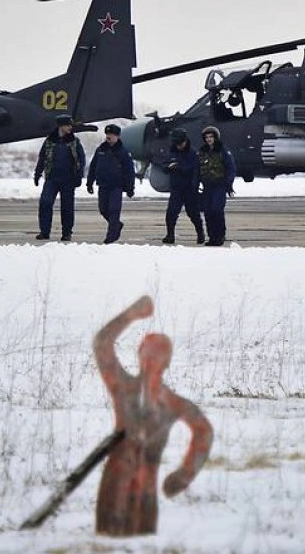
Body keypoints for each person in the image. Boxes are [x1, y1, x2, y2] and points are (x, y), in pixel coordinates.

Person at [92, 295, 212, 536]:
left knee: (140, 543)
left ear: (166, 361)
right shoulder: (125, 389)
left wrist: (184, 475)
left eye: (155, 356)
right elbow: (102, 344)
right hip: (115, 485)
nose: (148, 361)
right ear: (138, 356)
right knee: (107, 542)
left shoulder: (173, 404)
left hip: (145, 493)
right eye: (145, 354)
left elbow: (203, 430)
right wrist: (131, 314)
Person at [33, 114, 85, 241]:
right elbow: (42, 158)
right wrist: (37, 173)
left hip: (68, 179)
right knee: (45, 203)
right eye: (68, 125)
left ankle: (67, 233)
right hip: (52, 179)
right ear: (61, 126)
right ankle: (44, 232)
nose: (70, 128)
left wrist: (79, 176)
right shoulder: (50, 141)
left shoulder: (74, 142)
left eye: (70, 125)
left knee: (67, 207)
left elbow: (81, 160)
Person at [87, 123, 136, 244]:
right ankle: (117, 225)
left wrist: (130, 187)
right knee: (103, 209)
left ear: (117, 136)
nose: (108, 137)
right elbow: (93, 167)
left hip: (116, 186)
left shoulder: (123, 152)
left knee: (114, 210)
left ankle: (111, 236)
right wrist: (89, 182)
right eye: (107, 134)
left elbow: (129, 171)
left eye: (111, 135)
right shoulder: (100, 150)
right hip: (103, 185)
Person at [161, 128, 205, 245]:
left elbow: (192, 169)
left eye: (180, 143)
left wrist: (178, 167)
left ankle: (200, 233)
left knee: (193, 213)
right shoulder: (172, 151)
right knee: (171, 213)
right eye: (176, 144)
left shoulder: (192, 153)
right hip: (176, 189)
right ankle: (170, 235)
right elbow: (164, 165)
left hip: (189, 189)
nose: (178, 146)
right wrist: (168, 167)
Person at [196, 126, 236, 246]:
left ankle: (220, 236)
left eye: (211, 137)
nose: (209, 139)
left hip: (219, 185)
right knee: (208, 212)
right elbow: (197, 169)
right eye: (207, 137)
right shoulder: (202, 152)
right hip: (207, 186)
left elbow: (231, 168)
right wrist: (195, 185)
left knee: (217, 210)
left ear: (215, 138)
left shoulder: (223, 151)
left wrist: (228, 184)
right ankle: (212, 237)